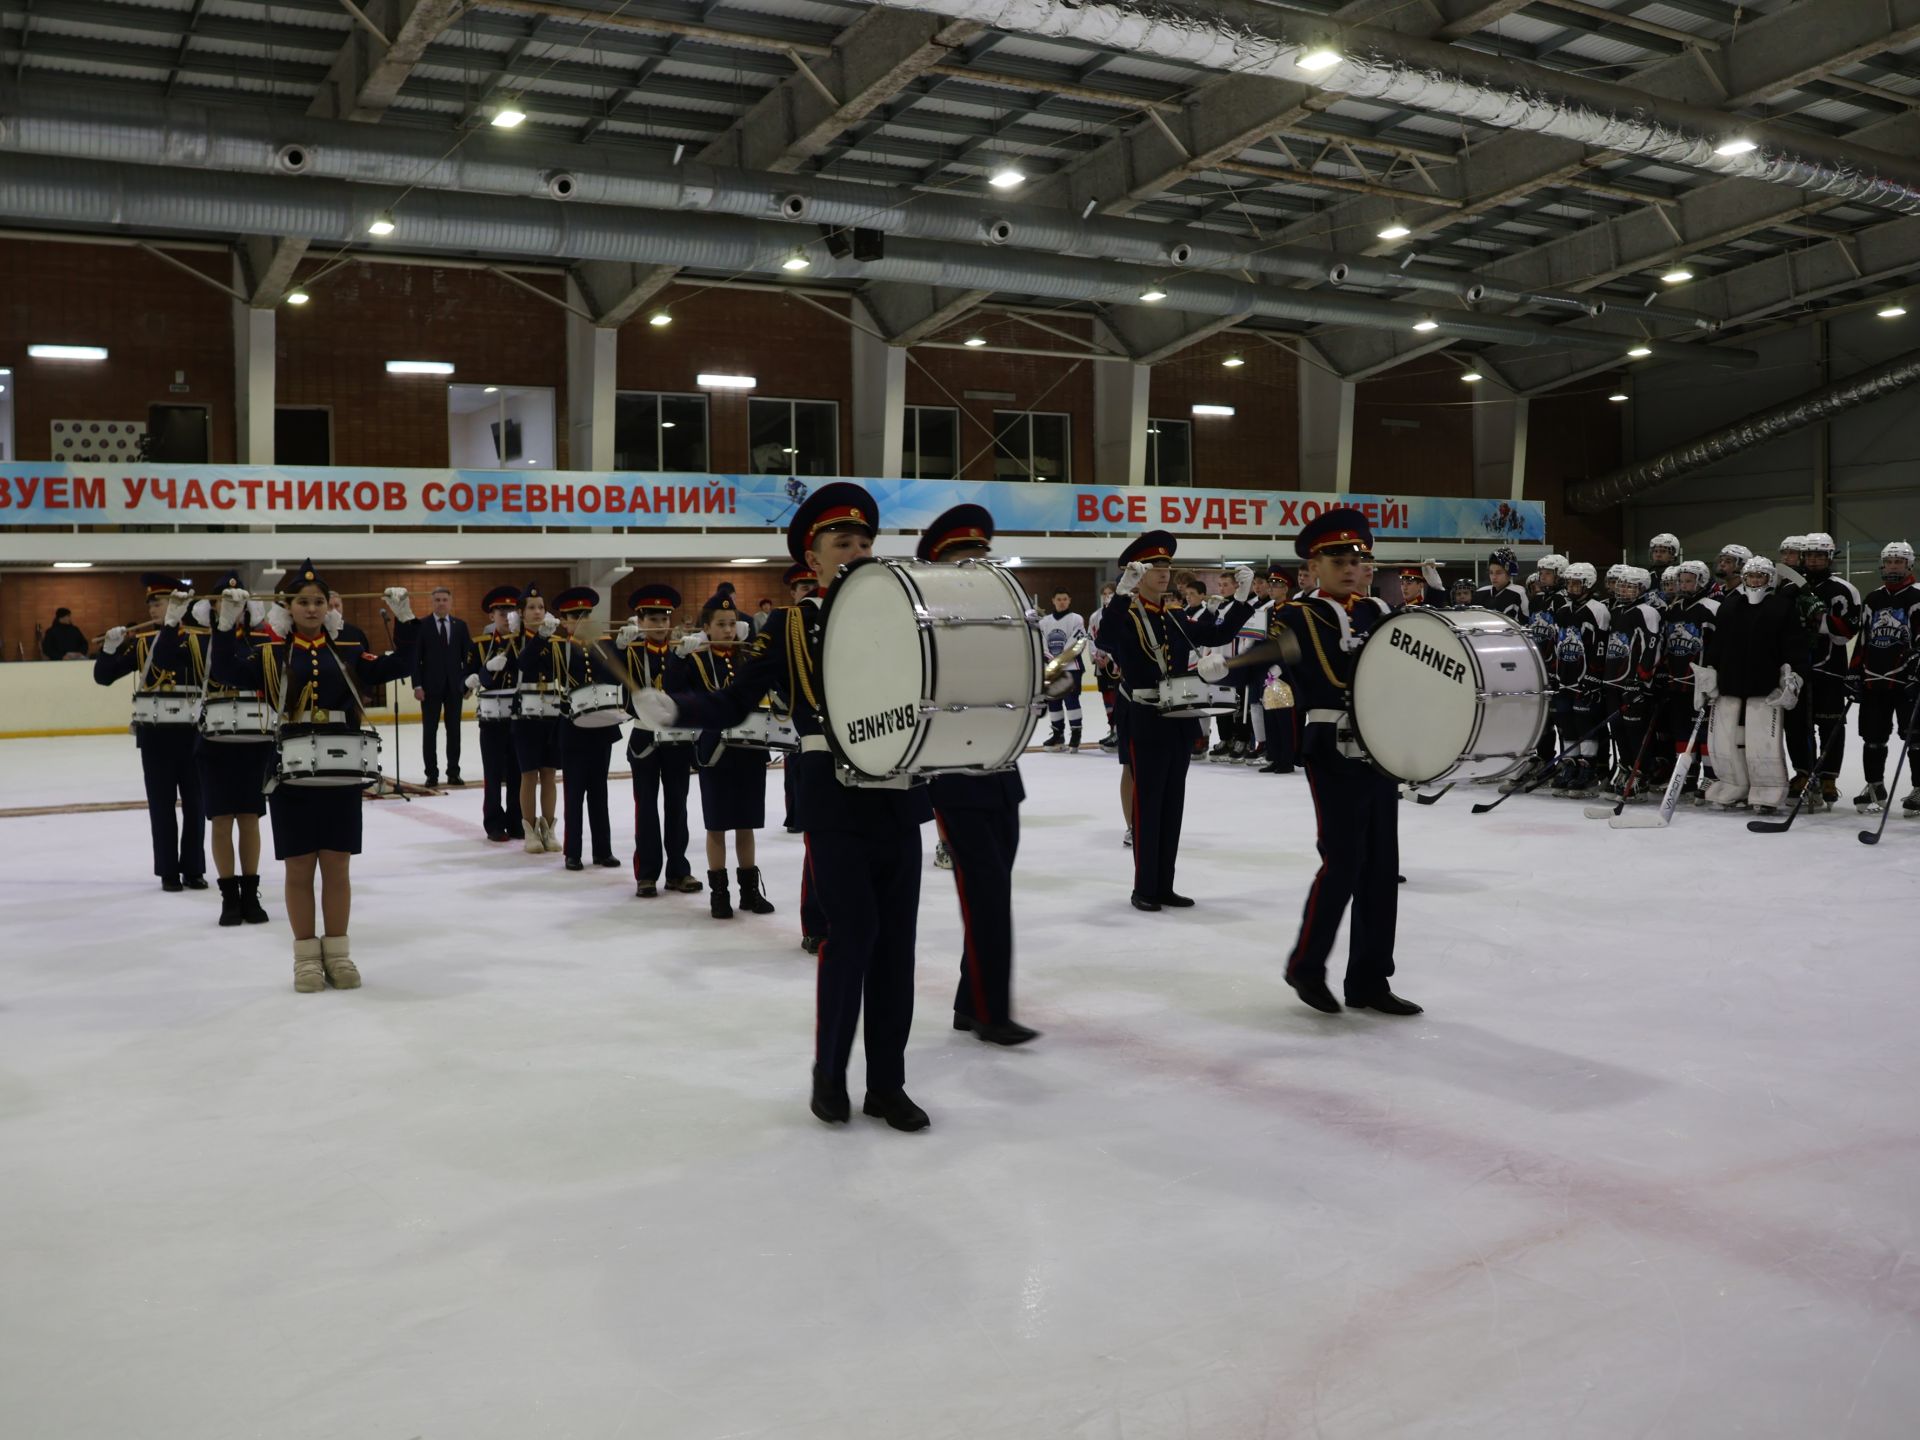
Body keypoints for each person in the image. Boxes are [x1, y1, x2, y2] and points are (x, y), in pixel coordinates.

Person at [635, 482, 933, 1131]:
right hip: (832, 794)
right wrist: (681, 708)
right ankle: (830, 1075)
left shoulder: (902, 618)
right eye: (841, 543)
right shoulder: (789, 625)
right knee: (851, 937)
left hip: (896, 794)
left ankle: (887, 1083)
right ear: (814, 558)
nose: (856, 551)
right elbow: (737, 699)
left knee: (898, 948)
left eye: (864, 542)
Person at [210, 561, 418, 991]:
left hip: (340, 766)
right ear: (287, 607)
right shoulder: (271, 653)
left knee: (338, 864)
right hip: (291, 768)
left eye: (318, 601)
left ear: (328, 607)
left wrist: (407, 620)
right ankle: (306, 957)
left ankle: (338, 954)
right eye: (302, 601)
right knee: (300, 866)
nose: (311, 608)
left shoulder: (346, 649)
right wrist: (226, 624)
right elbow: (225, 671)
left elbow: (404, 664)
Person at [1261, 509, 1420, 1016]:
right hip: (1331, 748)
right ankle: (1305, 965)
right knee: (1344, 861)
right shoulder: (1295, 615)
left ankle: (1370, 980)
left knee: (1381, 867)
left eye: (1358, 558)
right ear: (1315, 563)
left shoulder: (1377, 611)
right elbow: (1299, 669)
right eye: (1338, 559)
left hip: (1377, 749)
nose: (1350, 567)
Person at [914, 504, 1038, 1047]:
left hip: (1001, 771)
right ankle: (991, 1012)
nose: (978, 566)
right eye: (966, 557)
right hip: (952, 776)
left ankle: (972, 1002)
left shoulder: (1002, 620)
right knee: (985, 891)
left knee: (995, 888)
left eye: (982, 555)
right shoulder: (927, 628)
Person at [1097, 532, 1254, 911]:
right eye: (1155, 567)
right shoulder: (1130, 616)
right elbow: (1105, 637)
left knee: (1172, 805)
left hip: (1177, 719)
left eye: (1167, 566)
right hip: (1146, 718)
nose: (1164, 573)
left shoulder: (1176, 616)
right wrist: (1121, 595)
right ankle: (1144, 888)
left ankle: (1164, 885)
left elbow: (1218, 632)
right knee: (1148, 805)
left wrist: (1242, 600)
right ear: (1137, 573)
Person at [94, 575, 207, 892]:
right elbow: (104, 677)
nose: (153, 609)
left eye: (159, 603)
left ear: (177, 605)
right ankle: (169, 871)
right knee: (161, 805)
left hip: (192, 734)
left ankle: (194, 869)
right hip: (156, 736)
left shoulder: (198, 641)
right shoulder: (142, 643)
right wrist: (109, 649)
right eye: (152, 604)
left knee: (196, 805)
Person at [673, 588, 777, 916]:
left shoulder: (746, 658)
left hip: (748, 749)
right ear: (706, 627)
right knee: (716, 824)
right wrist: (678, 658)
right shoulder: (697, 659)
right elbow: (676, 693)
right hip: (715, 751)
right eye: (721, 624)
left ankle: (748, 891)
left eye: (732, 623)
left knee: (746, 822)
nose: (729, 630)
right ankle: (720, 894)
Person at [193, 568, 274, 926]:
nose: (231, 605)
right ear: (211, 604)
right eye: (224, 600)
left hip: (253, 741)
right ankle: (228, 895)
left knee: (250, 818)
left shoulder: (258, 640)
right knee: (222, 819)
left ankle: (249, 892)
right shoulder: (199, 638)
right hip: (215, 743)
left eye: (237, 599)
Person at [613, 584, 703, 899]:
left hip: (677, 738)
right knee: (646, 808)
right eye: (652, 619)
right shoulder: (633, 650)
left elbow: (690, 694)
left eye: (664, 618)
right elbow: (613, 681)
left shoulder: (683, 652)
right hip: (644, 738)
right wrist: (620, 649)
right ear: (640, 622)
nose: (660, 625)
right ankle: (647, 874)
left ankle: (679, 870)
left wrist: (682, 659)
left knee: (677, 807)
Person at [1698, 556, 1806, 814]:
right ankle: (1733, 783)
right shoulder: (1729, 605)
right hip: (1730, 683)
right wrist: (1709, 670)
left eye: (1761, 576)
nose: (1755, 581)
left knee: (1761, 740)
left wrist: (1793, 675)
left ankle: (1768, 788)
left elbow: (1793, 645)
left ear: (1770, 579)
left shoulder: (1782, 607)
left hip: (1765, 685)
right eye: (1751, 576)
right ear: (1744, 578)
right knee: (1725, 739)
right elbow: (1718, 643)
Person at [550, 586, 623, 872]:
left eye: (585, 615)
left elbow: (614, 677)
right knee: (574, 793)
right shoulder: (559, 647)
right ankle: (573, 851)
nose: (580, 620)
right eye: (573, 616)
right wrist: (541, 639)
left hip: (601, 727)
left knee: (599, 792)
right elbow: (532, 665)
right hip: (573, 728)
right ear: (564, 620)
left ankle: (603, 851)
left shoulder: (603, 646)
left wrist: (620, 647)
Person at [1796, 533, 1862, 811]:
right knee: (1799, 726)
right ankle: (1803, 773)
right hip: (1797, 668)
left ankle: (1827, 778)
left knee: (1830, 724)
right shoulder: (1792, 587)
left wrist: (1819, 619)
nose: (1813, 560)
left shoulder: (1844, 589)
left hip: (1831, 670)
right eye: (1809, 555)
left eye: (1819, 555)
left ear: (1829, 557)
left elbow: (1847, 632)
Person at [1850, 541, 1916, 812]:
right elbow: (1863, 638)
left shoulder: (1917, 596)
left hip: (1909, 681)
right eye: (1888, 562)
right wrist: (1854, 671)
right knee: (1873, 736)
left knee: (1916, 735)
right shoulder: (1874, 599)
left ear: (1909, 565)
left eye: (1898, 562)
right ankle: (1875, 785)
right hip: (1874, 679)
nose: (1892, 566)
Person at [1649, 560, 1718, 803]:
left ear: (1701, 581)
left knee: (1703, 734)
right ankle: (1687, 776)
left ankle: (1710, 776)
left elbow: (1719, 646)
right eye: (1682, 581)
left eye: (1690, 581)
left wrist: (1714, 675)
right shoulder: (1673, 608)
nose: (1684, 585)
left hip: (1702, 684)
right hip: (1676, 681)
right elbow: (1665, 644)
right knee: (1681, 730)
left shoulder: (1712, 608)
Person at [508, 582, 564, 854]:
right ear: (521, 612)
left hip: (552, 713)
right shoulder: (514, 640)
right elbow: (523, 664)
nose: (538, 611)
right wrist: (540, 638)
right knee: (528, 774)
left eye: (541, 607)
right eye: (531, 607)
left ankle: (550, 828)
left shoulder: (555, 640)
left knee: (550, 773)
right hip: (525, 716)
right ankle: (529, 828)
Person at [1546, 561, 1611, 798]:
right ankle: (1570, 766)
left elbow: (1601, 646)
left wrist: (1595, 674)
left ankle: (1589, 769)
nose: (1571, 588)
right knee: (1566, 722)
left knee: (1585, 724)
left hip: (1585, 678)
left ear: (1588, 584)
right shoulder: (1563, 610)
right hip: (1565, 677)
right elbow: (1556, 644)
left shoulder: (1598, 610)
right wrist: (1554, 673)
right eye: (1569, 583)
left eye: (1576, 583)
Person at [469, 585, 526, 843]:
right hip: (492, 720)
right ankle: (493, 822)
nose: (505, 615)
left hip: (520, 716)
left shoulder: (525, 643)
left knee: (517, 772)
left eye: (511, 610)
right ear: (491, 616)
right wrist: (484, 671)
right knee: (493, 773)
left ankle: (516, 820)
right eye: (500, 611)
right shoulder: (481, 645)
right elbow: (466, 679)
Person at [1600, 566, 1661, 797]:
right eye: (1621, 585)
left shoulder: (1647, 612)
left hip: (1633, 685)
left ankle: (1641, 774)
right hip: (1613, 683)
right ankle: (1626, 768)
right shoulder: (1616, 611)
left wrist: (1641, 680)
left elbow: (1652, 648)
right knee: (1618, 730)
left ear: (1642, 589)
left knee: (1636, 731)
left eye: (1629, 586)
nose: (1623, 589)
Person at [411, 584, 470, 787]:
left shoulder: (460, 626)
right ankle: (432, 774)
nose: (441, 603)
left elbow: (467, 658)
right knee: (430, 731)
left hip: (454, 687)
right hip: (429, 688)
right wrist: (417, 685)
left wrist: (468, 684)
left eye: (445, 599)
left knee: (454, 731)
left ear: (451, 602)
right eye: (437, 600)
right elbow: (415, 659)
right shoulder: (422, 625)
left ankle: (453, 772)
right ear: (432, 602)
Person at [1038, 587, 1088, 752]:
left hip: (1071, 667)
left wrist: (1060, 659)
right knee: (1053, 700)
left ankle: (1076, 734)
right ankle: (1058, 734)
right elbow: (1042, 642)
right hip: (1051, 668)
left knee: (1071, 700)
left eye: (1065, 599)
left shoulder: (1076, 619)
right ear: (1053, 600)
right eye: (1058, 599)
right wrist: (1050, 659)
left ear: (1069, 600)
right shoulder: (1044, 622)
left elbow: (1078, 641)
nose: (1062, 602)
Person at [1472, 548, 1529, 620]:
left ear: (1509, 573)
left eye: (1498, 573)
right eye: (1491, 572)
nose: (1493, 577)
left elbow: (1524, 623)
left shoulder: (1518, 593)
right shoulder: (1479, 593)